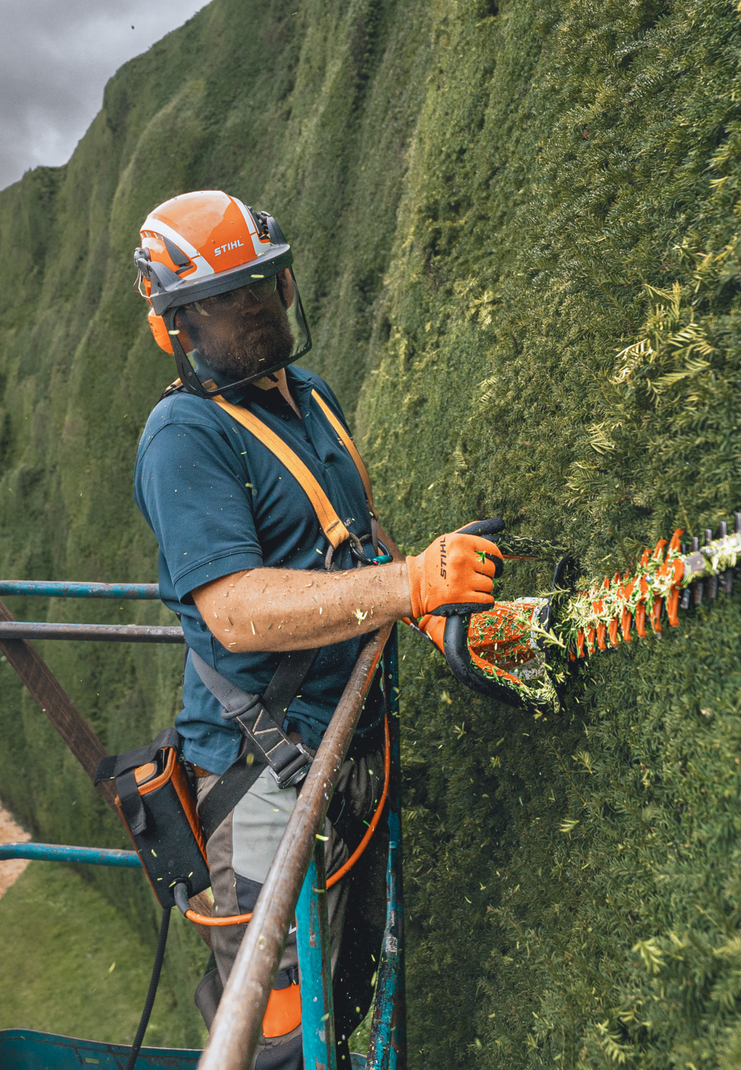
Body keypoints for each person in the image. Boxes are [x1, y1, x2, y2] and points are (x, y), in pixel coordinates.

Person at [129, 189, 499, 1067]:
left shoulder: (309, 396)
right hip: (263, 772)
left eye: (264, 287)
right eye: (228, 300)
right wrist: (408, 584)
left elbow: (352, 548)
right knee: (279, 1036)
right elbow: (237, 610)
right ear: (174, 325)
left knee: (352, 977)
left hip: (346, 740)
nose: (257, 312)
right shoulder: (183, 436)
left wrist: (437, 608)